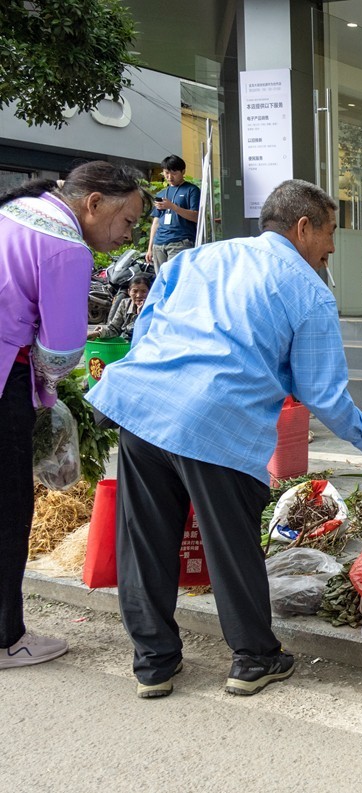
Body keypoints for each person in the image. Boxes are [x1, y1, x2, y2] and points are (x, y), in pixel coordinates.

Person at [87, 179, 362, 699]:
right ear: (304, 227)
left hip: (143, 409)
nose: (330, 247)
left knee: (145, 542)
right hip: (217, 422)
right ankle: (254, 658)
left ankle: (154, 665)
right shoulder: (308, 290)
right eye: (330, 233)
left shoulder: (196, 259)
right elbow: (322, 393)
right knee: (231, 546)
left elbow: (146, 331)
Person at [0, 162, 146, 669]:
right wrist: (49, 391)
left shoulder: (18, 210)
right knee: (8, 508)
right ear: (94, 203)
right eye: (127, 220)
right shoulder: (66, 244)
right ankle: (5, 638)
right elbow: (62, 349)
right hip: (4, 376)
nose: (129, 233)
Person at [144, 155, 201, 267]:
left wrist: (172, 207)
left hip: (180, 242)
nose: (170, 177)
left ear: (183, 171)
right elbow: (156, 222)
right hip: (159, 244)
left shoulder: (191, 190)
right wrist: (150, 247)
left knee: (176, 278)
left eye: (174, 173)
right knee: (161, 280)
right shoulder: (162, 193)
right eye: (166, 173)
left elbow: (196, 217)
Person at [88, 273, 152, 342]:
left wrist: (141, 315)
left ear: (150, 292)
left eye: (144, 291)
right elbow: (114, 329)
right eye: (135, 291)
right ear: (129, 292)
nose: (139, 295)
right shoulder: (124, 304)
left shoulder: (154, 307)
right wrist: (98, 333)